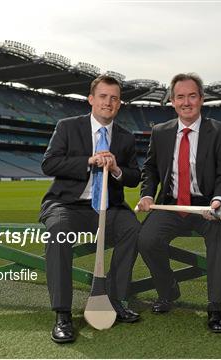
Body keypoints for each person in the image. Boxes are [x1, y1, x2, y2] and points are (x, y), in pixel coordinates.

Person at [39, 75, 141, 343]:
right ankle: (62, 313)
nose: (109, 102)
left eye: (114, 98)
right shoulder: (68, 127)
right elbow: (49, 164)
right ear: (91, 99)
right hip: (67, 204)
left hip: (109, 206)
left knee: (133, 228)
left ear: (119, 104)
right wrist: (89, 160)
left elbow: (134, 176)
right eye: (104, 96)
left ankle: (115, 300)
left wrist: (117, 168)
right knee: (58, 232)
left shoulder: (126, 138)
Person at [136, 73, 221, 333]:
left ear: (202, 99)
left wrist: (218, 201)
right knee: (146, 239)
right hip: (171, 204)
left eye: (192, 96)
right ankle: (168, 290)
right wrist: (147, 194)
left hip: (207, 205)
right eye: (180, 96)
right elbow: (150, 170)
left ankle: (215, 305)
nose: (186, 102)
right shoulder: (160, 132)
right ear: (172, 101)